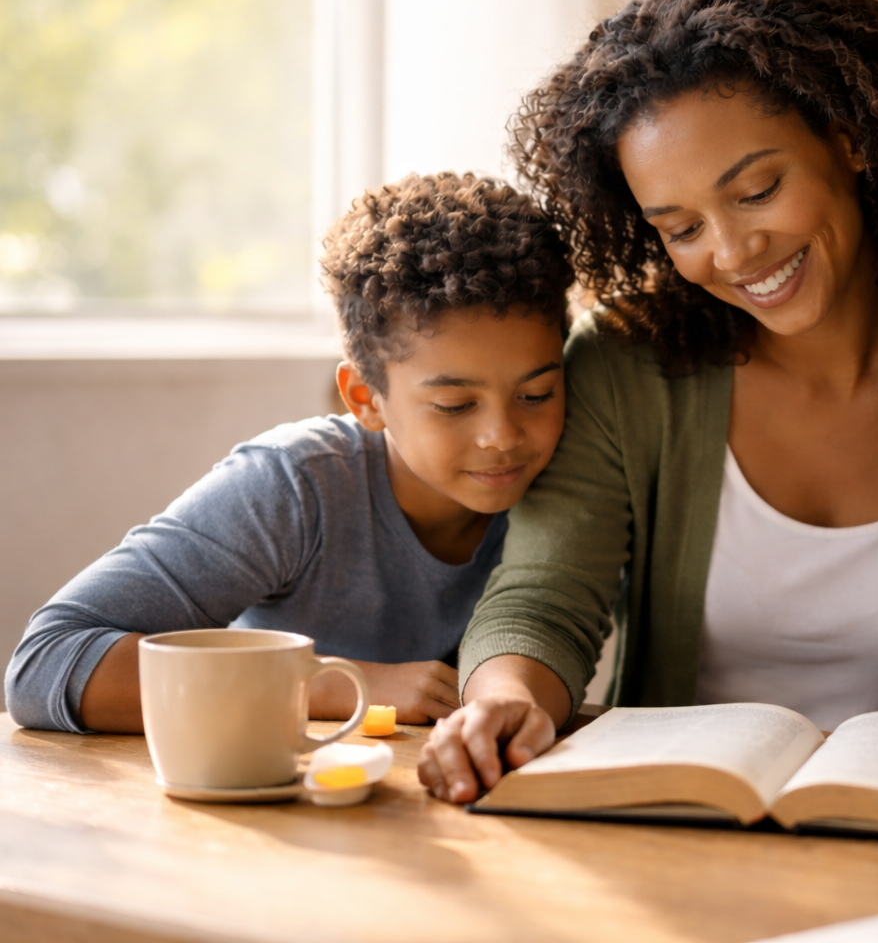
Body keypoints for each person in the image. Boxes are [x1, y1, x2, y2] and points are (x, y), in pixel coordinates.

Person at [418, 0, 878, 802]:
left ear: (849, 136)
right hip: (676, 837)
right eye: (680, 227)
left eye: (758, 190)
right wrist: (504, 699)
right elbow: (544, 593)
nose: (733, 253)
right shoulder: (630, 364)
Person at [5, 173, 573, 733]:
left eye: (536, 394)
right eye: (453, 404)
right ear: (364, 398)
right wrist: (339, 683)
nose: (502, 435)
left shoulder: (577, 471)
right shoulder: (295, 485)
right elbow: (44, 664)